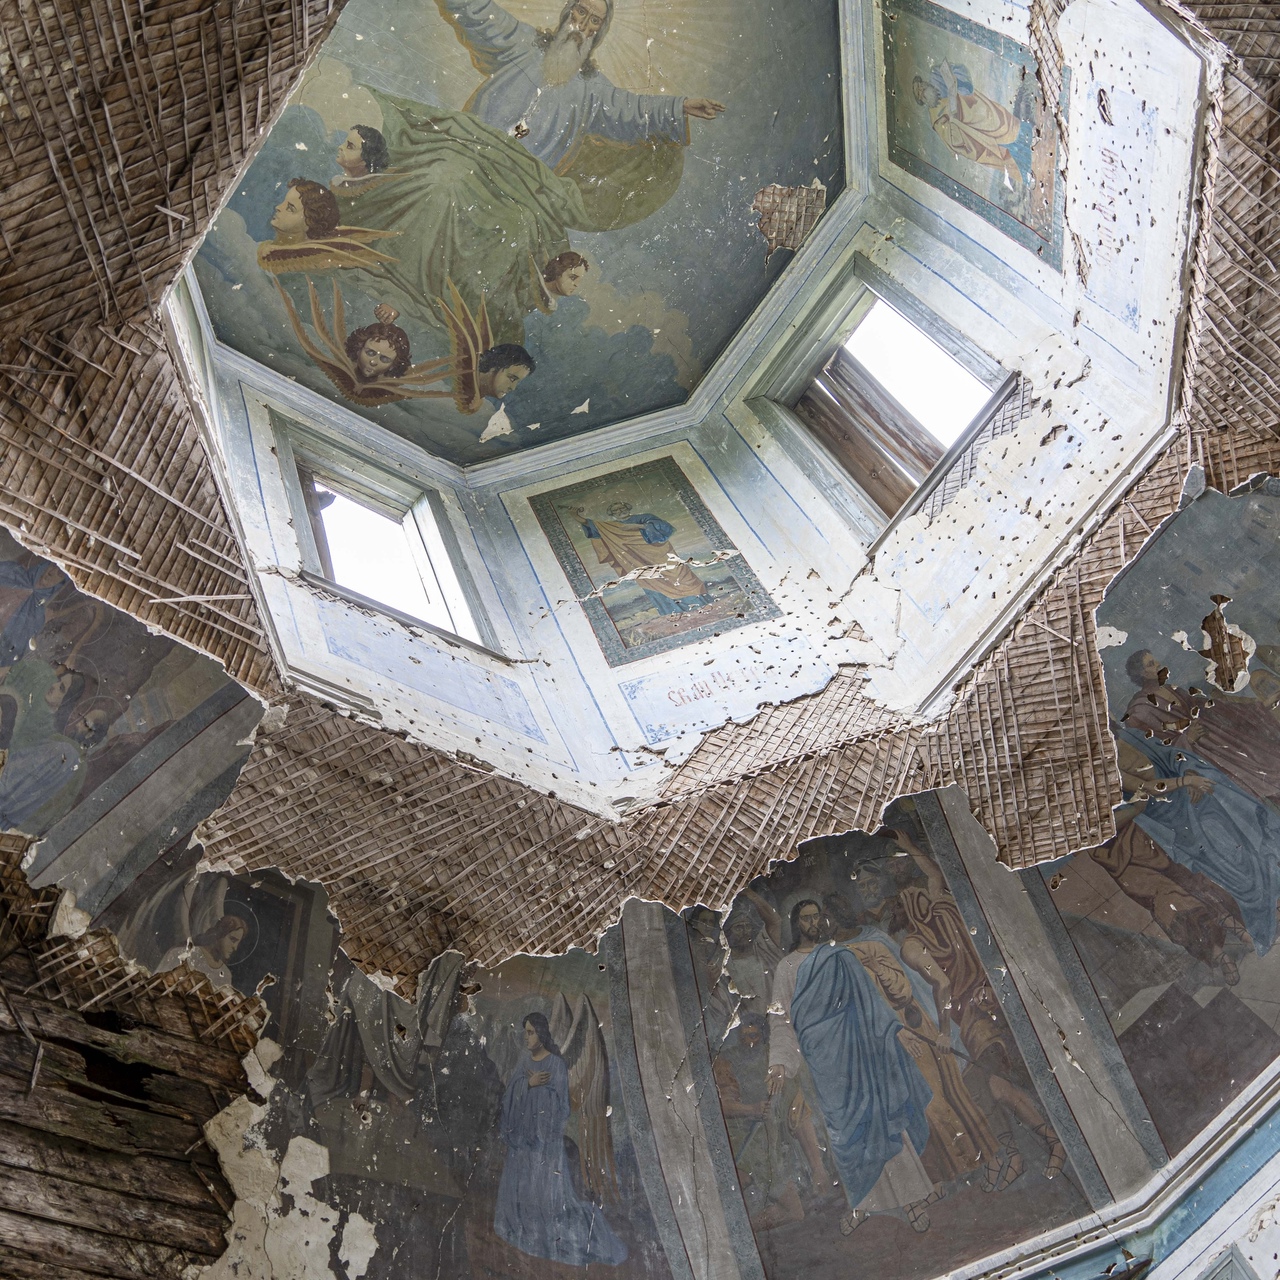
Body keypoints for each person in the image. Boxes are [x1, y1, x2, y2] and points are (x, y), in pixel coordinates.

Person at [885, 827, 1068, 1187]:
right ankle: (1016, 1154)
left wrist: (942, 1032)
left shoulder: (913, 944)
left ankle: (1050, 1142)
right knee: (985, 1089)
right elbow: (934, 875)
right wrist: (908, 845)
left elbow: (943, 985)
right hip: (994, 994)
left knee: (996, 1085)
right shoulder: (941, 906)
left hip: (973, 1015)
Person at [767, 899, 935, 1237]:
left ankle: (912, 1200)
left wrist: (895, 1031)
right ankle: (861, 1204)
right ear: (797, 924)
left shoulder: (840, 956)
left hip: (859, 1052)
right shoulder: (787, 967)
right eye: (806, 918)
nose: (813, 923)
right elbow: (782, 1020)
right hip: (824, 1064)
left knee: (882, 1120)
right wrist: (779, 1063)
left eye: (817, 916)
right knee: (845, 1137)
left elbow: (870, 1000)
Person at [824, 886, 1001, 1196]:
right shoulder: (838, 957)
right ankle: (960, 1169)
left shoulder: (870, 946)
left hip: (911, 1027)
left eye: (827, 917)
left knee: (943, 1097)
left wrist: (935, 1030)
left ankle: (983, 1159)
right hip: (891, 1036)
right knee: (926, 1105)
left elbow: (902, 989)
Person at [493, 1012, 628, 1266]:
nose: (526, 1037)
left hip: (545, 1144)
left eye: (531, 1032)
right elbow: (509, 1097)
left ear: (541, 1033)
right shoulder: (524, 1063)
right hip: (522, 1142)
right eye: (525, 1032)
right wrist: (528, 1085)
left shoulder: (556, 1065)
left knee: (547, 1195)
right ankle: (523, 1226)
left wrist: (538, 1095)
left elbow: (562, 1107)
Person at [1122, 649, 1280, 806]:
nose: (1158, 664)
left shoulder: (1170, 689)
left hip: (1222, 738)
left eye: (1155, 661)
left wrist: (1258, 707)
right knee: (1250, 782)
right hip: (1206, 755)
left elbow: (1212, 707)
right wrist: (1187, 739)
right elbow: (1156, 753)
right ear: (1142, 673)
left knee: (1267, 764)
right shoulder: (1139, 710)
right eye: (1151, 664)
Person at [713, 1014, 805, 1228]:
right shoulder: (726, 1061)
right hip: (742, 1141)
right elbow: (721, 1105)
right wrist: (751, 1109)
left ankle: (744, 1228)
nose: (749, 1042)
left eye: (754, 1036)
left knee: (795, 1211)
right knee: (738, 1187)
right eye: (744, 1036)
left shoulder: (771, 1061)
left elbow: (797, 1109)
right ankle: (738, 1230)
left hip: (768, 1145)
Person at [912, 62, 1034, 195]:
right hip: (968, 132)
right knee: (992, 152)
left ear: (923, 82)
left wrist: (958, 85)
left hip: (974, 106)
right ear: (922, 101)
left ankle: (1025, 134)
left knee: (1000, 123)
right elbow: (951, 141)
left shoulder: (936, 73)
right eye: (919, 93)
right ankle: (1023, 165)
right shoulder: (935, 117)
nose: (921, 90)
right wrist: (953, 120)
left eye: (920, 86)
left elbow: (959, 70)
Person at [574, 501, 713, 616]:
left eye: (622, 508)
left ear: (628, 507)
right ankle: (673, 613)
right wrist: (574, 515)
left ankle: (702, 604)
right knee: (652, 583)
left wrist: (640, 526)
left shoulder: (645, 517)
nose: (620, 511)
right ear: (612, 514)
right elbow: (592, 526)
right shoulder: (612, 527)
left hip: (661, 555)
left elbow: (665, 528)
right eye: (616, 510)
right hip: (638, 562)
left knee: (680, 576)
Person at [257, 178, 397, 275]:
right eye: (284, 202)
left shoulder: (288, 261)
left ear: (309, 223)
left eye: (290, 208)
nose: (278, 207)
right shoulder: (268, 249)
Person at [157, 914, 247, 989]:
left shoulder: (226, 974)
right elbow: (158, 984)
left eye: (238, 943)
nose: (235, 948)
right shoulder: (182, 954)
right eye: (232, 939)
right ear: (220, 934)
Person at [332, 125, 393, 194]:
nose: (340, 147)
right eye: (344, 143)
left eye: (350, 146)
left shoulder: (369, 191)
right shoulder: (339, 183)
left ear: (365, 159)